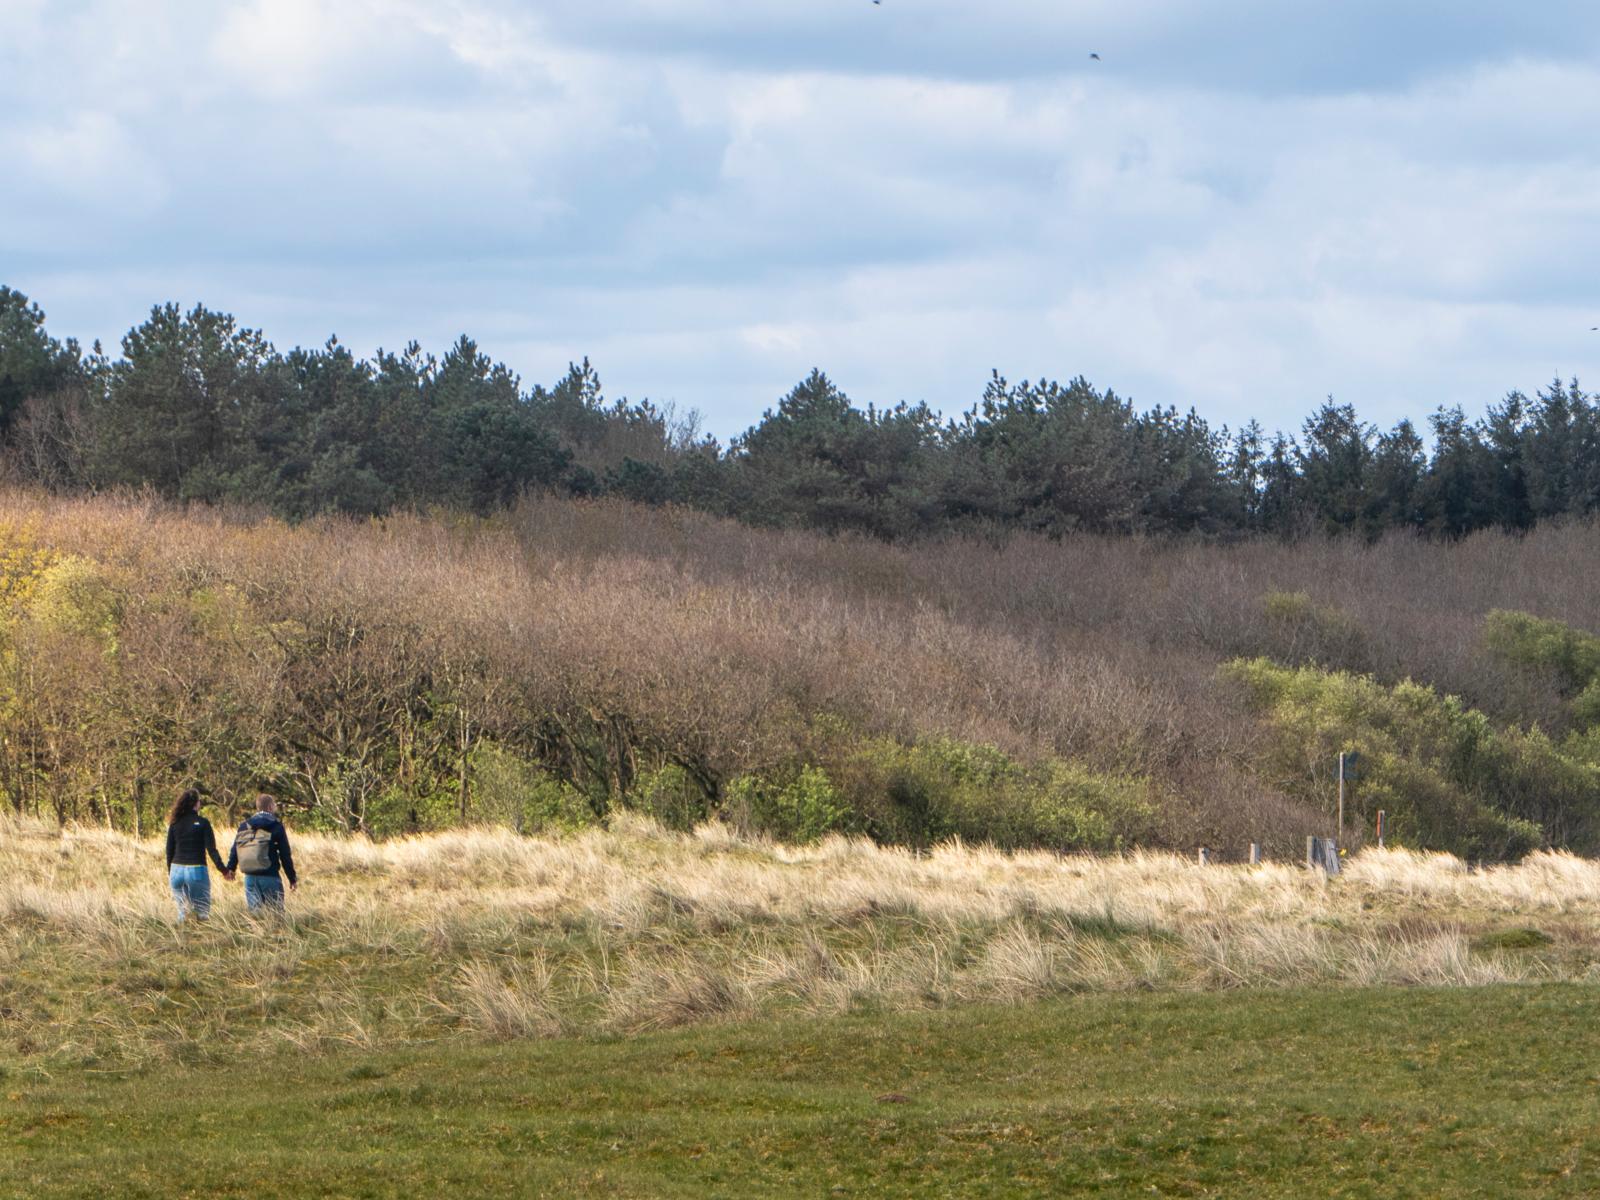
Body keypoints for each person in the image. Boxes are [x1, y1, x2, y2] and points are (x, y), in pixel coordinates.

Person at [165, 788, 230, 921]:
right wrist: (223, 870)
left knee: (183, 913)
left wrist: (170, 871)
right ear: (196, 804)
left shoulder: (174, 823)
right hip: (196, 869)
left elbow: (169, 850)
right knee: (202, 913)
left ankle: (180, 938)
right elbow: (211, 850)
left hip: (176, 870)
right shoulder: (203, 823)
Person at [226, 793, 298, 913]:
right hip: (270, 875)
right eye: (274, 805)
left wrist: (230, 869)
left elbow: (235, 849)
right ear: (270, 807)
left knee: (256, 917)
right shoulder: (276, 826)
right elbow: (285, 855)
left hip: (250, 876)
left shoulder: (244, 826)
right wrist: (292, 878)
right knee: (275, 915)